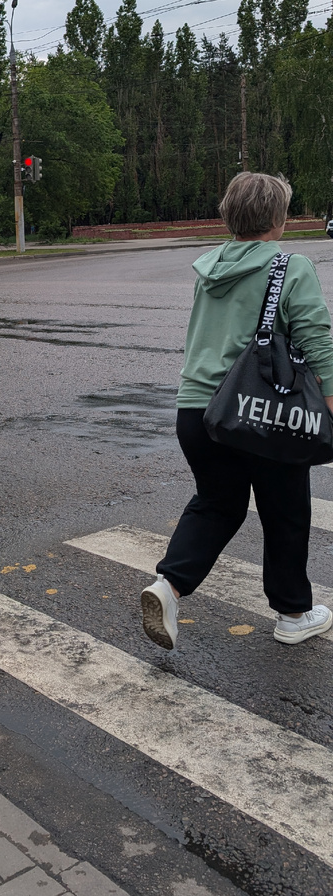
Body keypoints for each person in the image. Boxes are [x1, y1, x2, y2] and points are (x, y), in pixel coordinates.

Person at [142, 172, 333, 649]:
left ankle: (168, 587)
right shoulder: (291, 265)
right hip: (260, 410)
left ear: (230, 215)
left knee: (217, 503)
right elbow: (316, 338)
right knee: (285, 510)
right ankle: (293, 614)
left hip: (198, 411)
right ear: (279, 218)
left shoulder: (210, 267)